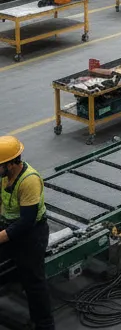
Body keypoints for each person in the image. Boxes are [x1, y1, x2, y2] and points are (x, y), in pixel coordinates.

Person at [0, 136, 54, 330]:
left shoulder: (29, 180)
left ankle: (45, 325)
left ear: (11, 163)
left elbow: (26, 222)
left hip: (32, 234)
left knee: (33, 280)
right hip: (9, 226)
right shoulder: (4, 176)